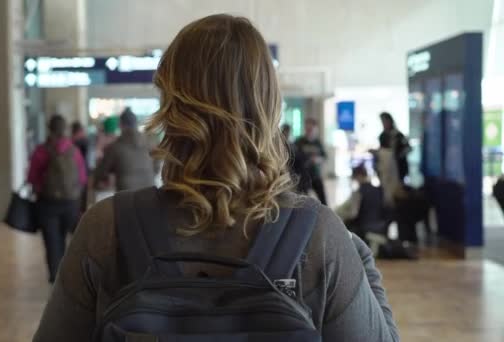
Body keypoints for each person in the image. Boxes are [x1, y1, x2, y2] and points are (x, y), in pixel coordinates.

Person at [34, 15, 398, 342]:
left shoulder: (105, 227)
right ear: (269, 108)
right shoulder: (316, 235)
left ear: (170, 107)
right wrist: (361, 258)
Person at [27, 115, 87, 283]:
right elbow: (82, 178)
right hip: (71, 203)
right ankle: (73, 276)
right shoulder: (73, 150)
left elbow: (32, 177)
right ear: (65, 129)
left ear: (49, 128)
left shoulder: (41, 150)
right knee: (73, 240)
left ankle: (55, 277)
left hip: (47, 204)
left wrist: (41, 189)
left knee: (52, 242)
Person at [94, 108, 159, 191]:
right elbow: (157, 163)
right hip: (149, 190)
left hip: (126, 195)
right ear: (136, 124)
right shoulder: (149, 142)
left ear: (121, 125)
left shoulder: (115, 146)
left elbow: (101, 172)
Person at [335, 165, 386, 241]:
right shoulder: (379, 190)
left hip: (364, 226)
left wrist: (344, 216)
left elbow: (353, 214)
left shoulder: (358, 192)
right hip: (381, 224)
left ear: (358, 176)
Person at [294, 118, 328, 205]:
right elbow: (294, 156)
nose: (309, 130)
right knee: (301, 201)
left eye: (311, 129)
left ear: (315, 129)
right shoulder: (299, 142)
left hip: (315, 175)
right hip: (303, 176)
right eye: (307, 128)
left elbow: (324, 157)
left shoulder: (318, 143)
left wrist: (317, 159)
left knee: (323, 200)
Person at [379, 112, 410, 183]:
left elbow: (408, 148)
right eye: (382, 122)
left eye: (385, 121)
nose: (384, 124)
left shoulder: (398, 135)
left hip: (399, 168)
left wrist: (399, 155)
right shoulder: (382, 136)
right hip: (386, 168)